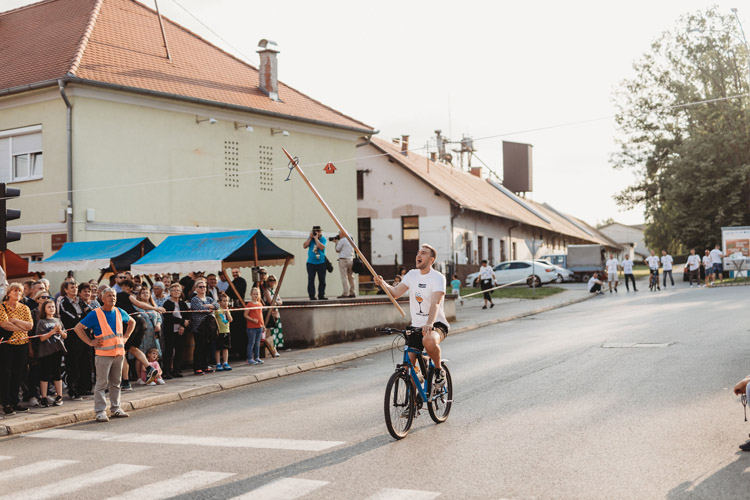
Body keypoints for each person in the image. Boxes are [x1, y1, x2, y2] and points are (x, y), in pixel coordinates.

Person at [374, 244, 449, 388]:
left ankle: (439, 371)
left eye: (423, 253)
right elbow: (395, 293)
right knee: (409, 365)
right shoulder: (412, 275)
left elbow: (436, 303)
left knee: (428, 339)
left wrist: (429, 324)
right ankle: (414, 404)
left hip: (436, 324)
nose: (418, 256)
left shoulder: (437, 278)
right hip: (416, 326)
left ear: (431, 259)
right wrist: (382, 283)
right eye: (418, 252)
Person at [73, 288, 135, 422]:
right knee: (102, 384)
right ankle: (100, 411)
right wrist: (90, 342)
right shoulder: (95, 314)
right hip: (103, 354)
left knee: (116, 383)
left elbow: (132, 322)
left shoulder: (119, 311)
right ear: (102, 299)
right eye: (109, 296)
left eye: (114, 296)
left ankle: (116, 408)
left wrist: (126, 337)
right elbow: (78, 328)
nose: (112, 298)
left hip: (118, 353)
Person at [116, 280, 164, 390]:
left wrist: (155, 308)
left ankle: (126, 381)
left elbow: (139, 303)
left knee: (123, 352)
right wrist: (155, 308)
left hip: (130, 324)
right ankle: (149, 368)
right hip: (141, 322)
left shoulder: (122, 295)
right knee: (133, 348)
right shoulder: (124, 295)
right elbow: (138, 304)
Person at [0, 283, 34, 415]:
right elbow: (4, 324)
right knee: (6, 374)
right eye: (14, 290)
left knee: (18, 373)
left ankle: (15, 401)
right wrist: (21, 327)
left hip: (22, 343)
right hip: (8, 344)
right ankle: (6, 402)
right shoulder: (2, 307)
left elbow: (30, 325)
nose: (17, 293)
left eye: (19, 291)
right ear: (8, 293)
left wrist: (14, 320)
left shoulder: (25, 308)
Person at [59, 281, 92, 400]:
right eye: (72, 287)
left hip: (85, 335)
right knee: (73, 364)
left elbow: (89, 313)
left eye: (76, 287)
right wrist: (83, 320)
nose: (75, 289)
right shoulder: (64, 302)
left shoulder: (81, 301)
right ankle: (73, 390)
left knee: (86, 361)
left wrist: (84, 319)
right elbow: (70, 317)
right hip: (72, 337)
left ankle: (84, 387)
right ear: (66, 289)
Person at [35, 299, 66, 407]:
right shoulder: (41, 322)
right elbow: (41, 338)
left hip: (57, 350)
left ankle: (59, 395)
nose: (51, 309)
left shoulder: (58, 320)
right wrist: (52, 331)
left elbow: (65, 335)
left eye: (53, 306)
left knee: (57, 373)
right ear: (44, 309)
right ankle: (44, 396)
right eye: (49, 307)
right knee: (45, 373)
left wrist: (60, 331)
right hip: (46, 351)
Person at [189, 278, 218, 375]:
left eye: (204, 287)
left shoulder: (209, 298)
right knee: (199, 347)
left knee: (207, 347)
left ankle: (205, 366)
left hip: (208, 327)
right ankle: (197, 367)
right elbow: (199, 308)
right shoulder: (194, 299)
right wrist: (209, 307)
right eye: (200, 287)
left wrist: (207, 306)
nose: (202, 288)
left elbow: (217, 306)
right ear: (196, 288)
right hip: (198, 327)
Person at [161, 283, 190, 379]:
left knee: (179, 350)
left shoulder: (182, 303)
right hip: (170, 330)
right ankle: (166, 371)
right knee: (169, 351)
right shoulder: (167, 303)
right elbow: (168, 317)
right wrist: (182, 321)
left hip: (181, 330)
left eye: (178, 290)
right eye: (174, 290)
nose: (176, 292)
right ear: (170, 292)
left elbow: (187, 316)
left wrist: (183, 326)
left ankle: (176, 370)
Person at [134, 286, 162, 377]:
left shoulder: (154, 306)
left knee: (153, 354)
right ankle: (139, 377)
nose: (145, 294)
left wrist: (158, 324)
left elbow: (159, 317)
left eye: (147, 293)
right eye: (143, 293)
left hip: (152, 335)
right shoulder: (136, 306)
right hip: (142, 335)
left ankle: (155, 375)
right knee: (141, 356)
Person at [303, 225, 327, 300]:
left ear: (320, 232)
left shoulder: (323, 239)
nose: (317, 233)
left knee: (322, 280)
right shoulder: (310, 238)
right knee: (311, 279)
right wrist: (310, 238)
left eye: (318, 231)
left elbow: (322, 247)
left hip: (321, 262)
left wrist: (316, 239)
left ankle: (321, 295)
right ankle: (311, 295)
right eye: (315, 231)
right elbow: (304, 246)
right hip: (311, 263)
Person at [244, 287, 265, 365]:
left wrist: (263, 325)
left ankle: (257, 357)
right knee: (251, 343)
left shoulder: (260, 303)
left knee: (257, 343)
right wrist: (252, 319)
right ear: (251, 295)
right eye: (254, 294)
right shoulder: (249, 304)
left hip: (259, 326)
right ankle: (249, 358)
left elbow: (261, 315)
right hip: (251, 327)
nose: (256, 295)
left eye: (257, 294)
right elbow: (245, 315)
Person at [334, 230, 356, 298]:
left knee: (344, 277)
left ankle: (345, 293)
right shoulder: (351, 239)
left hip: (343, 260)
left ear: (342, 234)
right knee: (351, 277)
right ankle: (352, 292)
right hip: (351, 259)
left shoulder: (342, 240)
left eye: (339, 234)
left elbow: (337, 250)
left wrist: (336, 242)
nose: (339, 235)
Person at [214, 292, 232, 371]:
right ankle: (218, 363)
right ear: (220, 301)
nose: (226, 302)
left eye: (227, 301)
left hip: (226, 330)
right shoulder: (217, 310)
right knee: (218, 348)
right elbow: (214, 318)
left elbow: (230, 319)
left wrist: (227, 311)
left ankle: (225, 362)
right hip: (219, 331)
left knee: (226, 348)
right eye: (224, 301)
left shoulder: (226, 309)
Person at [266, 274, 284, 352]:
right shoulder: (267, 291)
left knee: (277, 329)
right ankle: (274, 349)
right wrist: (276, 302)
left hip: (276, 311)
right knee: (272, 330)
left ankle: (277, 346)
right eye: (270, 280)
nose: (272, 282)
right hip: (271, 312)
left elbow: (281, 301)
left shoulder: (275, 290)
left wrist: (276, 302)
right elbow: (271, 302)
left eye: (274, 280)